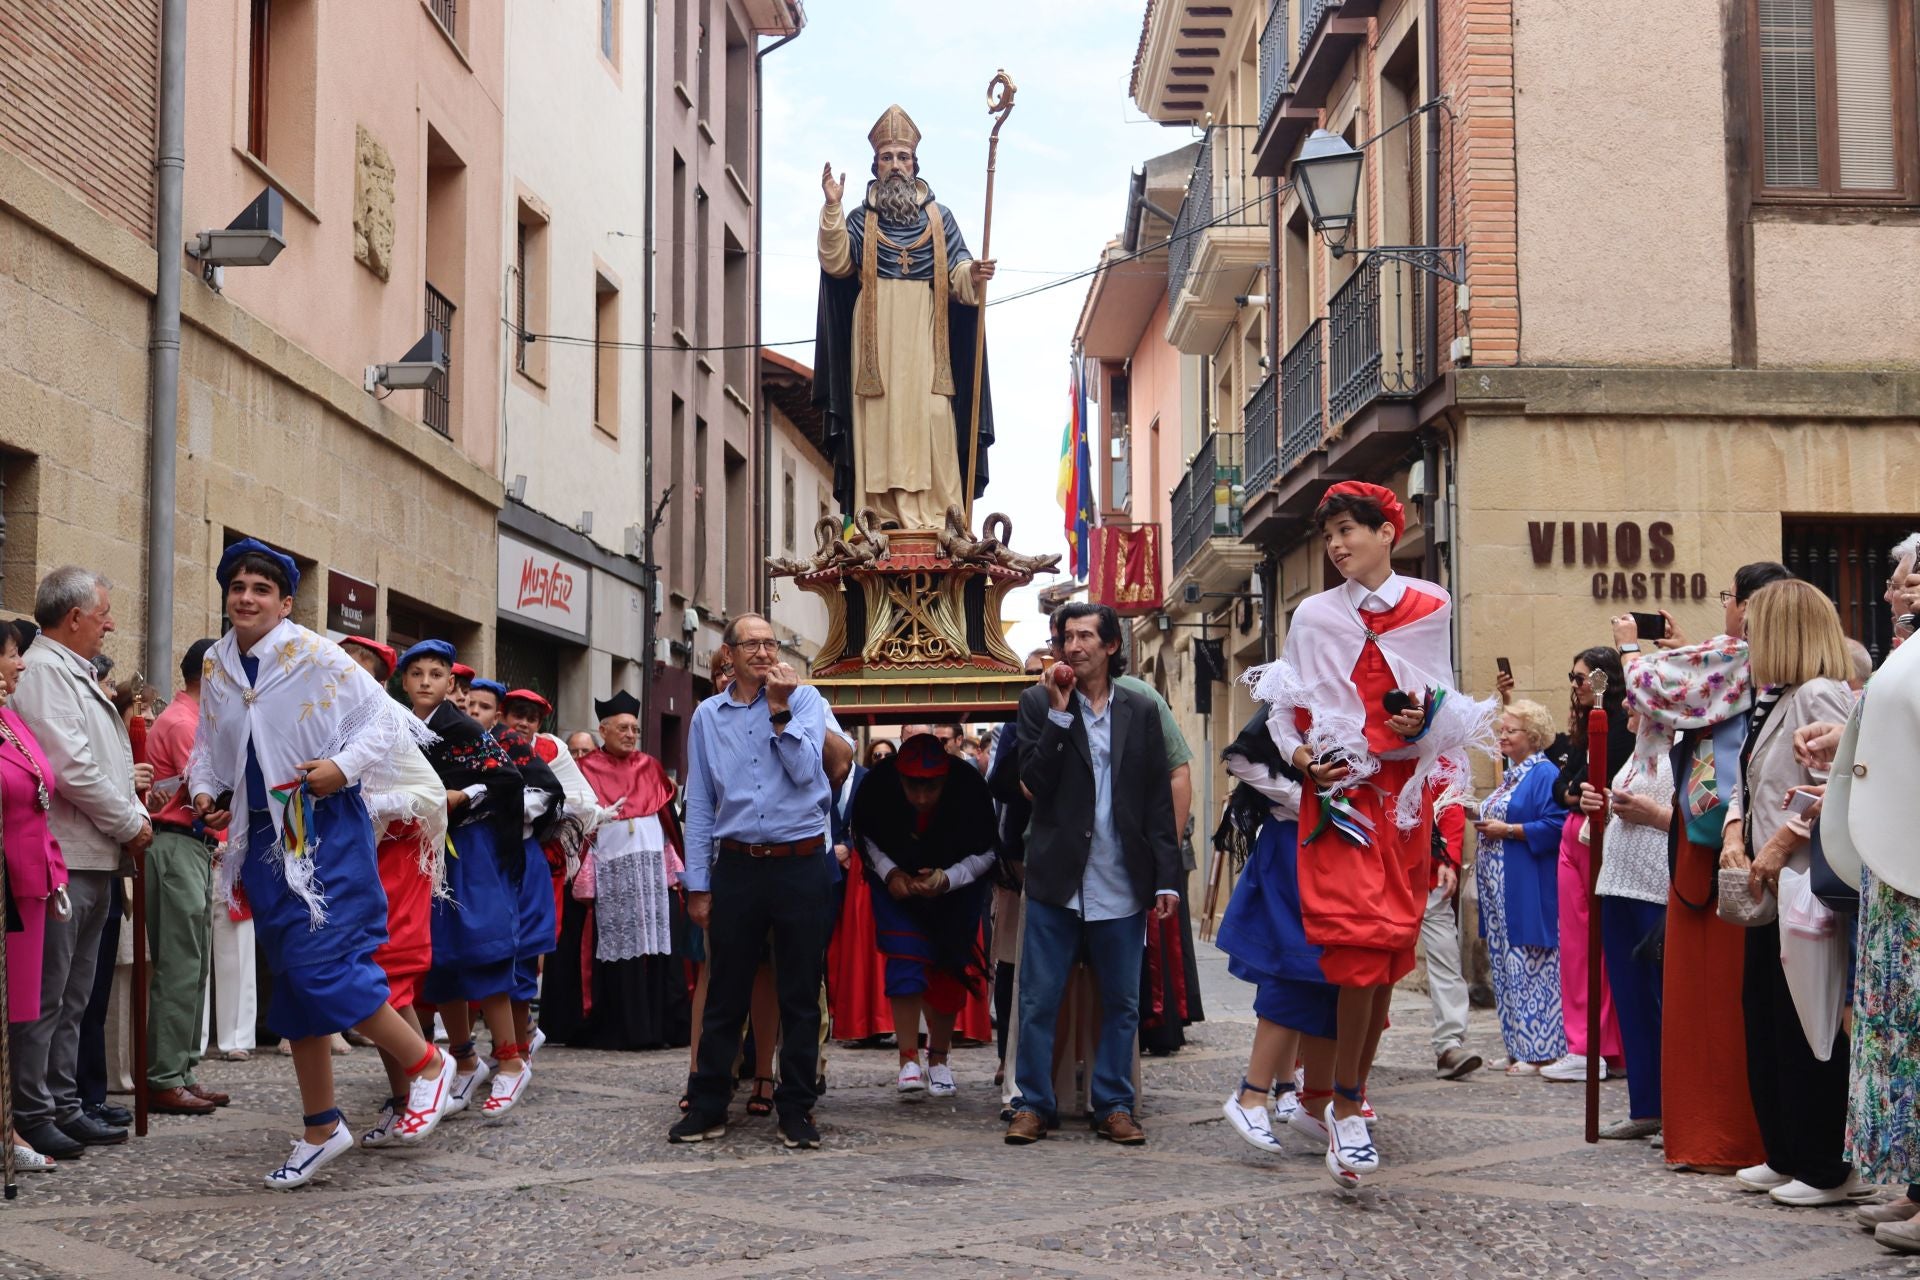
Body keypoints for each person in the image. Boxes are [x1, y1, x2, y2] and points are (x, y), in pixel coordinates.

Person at [1244, 483, 1492, 1185]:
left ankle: (1335, 1097)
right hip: (1341, 802)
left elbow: (1442, 699)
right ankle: (1343, 1109)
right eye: (1330, 537)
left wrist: (1424, 718)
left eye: (1350, 531)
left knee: (1387, 955)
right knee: (1355, 949)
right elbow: (1284, 711)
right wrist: (1301, 760)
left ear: (1392, 530)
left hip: (1403, 805)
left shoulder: (1430, 605)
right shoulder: (1315, 616)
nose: (1337, 546)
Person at [188, 542, 454, 1186]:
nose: (246, 597)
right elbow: (207, 747)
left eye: (260, 588)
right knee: (296, 982)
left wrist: (341, 768)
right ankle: (320, 1127)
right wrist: (205, 792)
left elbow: (384, 723)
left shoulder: (314, 653)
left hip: (324, 833)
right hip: (260, 841)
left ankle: (426, 1064)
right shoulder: (221, 664)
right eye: (237, 587)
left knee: (324, 967)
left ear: (284, 603)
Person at [1618, 561, 1786, 1177]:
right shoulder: (1749, 665)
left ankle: (1717, 1135)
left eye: (1728, 598)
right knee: (1726, 993)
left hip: (1718, 836)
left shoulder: (1736, 657)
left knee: (1714, 993)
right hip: (1720, 831)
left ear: (1745, 605)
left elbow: (1646, 687)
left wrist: (1629, 648)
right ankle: (1734, 1133)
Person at [1004, 602, 1179, 1148]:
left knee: (1121, 1001)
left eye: (1084, 636)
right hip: (1058, 876)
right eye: (1065, 637)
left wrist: (1167, 876)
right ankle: (1032, 1104)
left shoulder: (1139, 709)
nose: (1072, 646)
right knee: (1038, 998)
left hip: (1122, 879)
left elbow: (1156, 798)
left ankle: (1113, 1103)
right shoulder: (1036, 702)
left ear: (1109, 646)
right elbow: (1033, 782)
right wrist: (1059, 716)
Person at [1719, 579, 1860, 1207]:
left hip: (1805, 887)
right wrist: (1734, 835)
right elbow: (1749, 780)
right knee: (1768, 1016)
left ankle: (1824, 1163)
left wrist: (1778, 842)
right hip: (1774, 887)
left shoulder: (1819, 694)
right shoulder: (1778, 699)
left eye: (1756, 627)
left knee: (1807, 1021)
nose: (1746, 638)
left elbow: (1835, 793)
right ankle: (1784, 1149)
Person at [671, 613, 835, 1151]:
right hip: (738, 864)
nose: (765, 653)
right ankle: (709, 1103)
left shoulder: (806, 701)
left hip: (801, 862)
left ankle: (797, 1108)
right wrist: (698, 883)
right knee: (725, 991)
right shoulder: (706, 717)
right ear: (730, 656)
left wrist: (780, 710)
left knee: (799, 993)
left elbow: (811, 775)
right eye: (753, 645)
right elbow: (699, 805)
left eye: (772, 644)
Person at [10, 567, 151, 1159]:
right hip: (68, 854)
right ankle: (35, 1107)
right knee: (50, 992)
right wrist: (130, 822)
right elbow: (73, 769)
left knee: (74, 993)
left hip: (91, 854)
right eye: (103, 615)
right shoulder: (45, 673)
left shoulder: (67, 671)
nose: (110, 624)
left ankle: (63, 1101)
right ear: (73, 619)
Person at [815, 105, 996, 530]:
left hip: (926, 338)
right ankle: (881, 515)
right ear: (875, 166)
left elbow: (957, 274)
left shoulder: (940, 218)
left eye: (903, 157)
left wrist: (973, 273)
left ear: (915, 164)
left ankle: (940, 515)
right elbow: (837, 262)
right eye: (887, 157)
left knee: (933, 417)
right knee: (880, 423)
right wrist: (832, 211)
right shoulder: (861, 220)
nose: (896, 165)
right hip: (875, 342)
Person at [1799, 637, 1920, 1252]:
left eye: (1913, 575)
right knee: (1901, 1037)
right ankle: (1919, 1184)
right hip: (1897, 870)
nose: (1901, 589)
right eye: (1900, 578)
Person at [398, 641, 532, 1121]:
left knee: (482, 950)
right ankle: (463, 1057)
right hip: (427, 852)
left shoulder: (463, 727)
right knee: (441, 956)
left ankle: (511, 1059)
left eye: (437, 673)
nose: (427, 681)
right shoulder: (401, 725)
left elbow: (506, 777)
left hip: (470, 852)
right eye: (417, 673)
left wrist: (465, 795)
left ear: (451, 683)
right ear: (405, 682)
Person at [1215, 707, 1334, 1158]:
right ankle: (1252, 1095)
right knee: (1294, 970)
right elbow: (1240, 757)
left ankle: (1312, 1097)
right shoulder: (1294, 691)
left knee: (1329, 975)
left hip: (1330, 849)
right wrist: (1299, 797)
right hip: (1292, 851)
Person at [853, 734, 995, 1101]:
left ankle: (940, 1059)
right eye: (911, 786)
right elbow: (865, 838)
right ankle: (907, 1060)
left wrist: (948, 879)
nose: (920, 797)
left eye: (930, 787)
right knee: (905, 963)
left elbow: (988, 851)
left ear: (945, 780)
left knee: (947, 972)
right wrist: (890, 874)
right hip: (897, 889)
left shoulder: (970, 792)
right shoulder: (877, 791)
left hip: (956, 893)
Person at [556, 690, 689, 1051]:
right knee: (614, 953)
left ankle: (659, 1026)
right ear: (603, 729)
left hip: (650, 877)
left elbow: (666, 821)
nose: (631, 734)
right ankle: (618, 1026)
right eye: (623, 728)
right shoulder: (585, 771)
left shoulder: (650, 767)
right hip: (609, 875)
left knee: (658, 950)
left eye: (634, 729)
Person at [1576, 701, 1674, 1139]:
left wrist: (1650, 815)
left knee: (1662, 1002)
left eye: (1635, 705)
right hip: (1616, 881)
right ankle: (1646, 1106)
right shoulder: (1636, 755)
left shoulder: (1683, 750)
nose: (1626, 711)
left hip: (1656, 885)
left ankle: (1676, 1108)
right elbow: (1605, 817)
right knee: (1632, 1004)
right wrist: (1595, 805)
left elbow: (1691, 820)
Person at [140, 637, 229, 1116]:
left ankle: (182, 1070)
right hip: (176, 844)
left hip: (192, 847)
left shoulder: (195, 719)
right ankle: (163, 1076)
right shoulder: (182, 721)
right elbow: (206, 791)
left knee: (195, 968)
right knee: (179, 964)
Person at [1541, 647, 1630, 1084]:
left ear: (1601, 681)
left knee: (1594, 944)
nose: (1574, 685)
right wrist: (1572, 791)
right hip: (1573, 836)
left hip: (1598, 835)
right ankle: (1586, 1041)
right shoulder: (1581, 729)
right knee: (1576, 947)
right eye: (1572, 677)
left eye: (1580, 678)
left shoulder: (1615, 727)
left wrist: (1573, 790)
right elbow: (1562, 783)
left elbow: (1587, 780)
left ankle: (1594, 1044)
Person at [1472, 700, 1571, 1075]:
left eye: (1510, 730)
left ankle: (1540, 1051)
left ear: (1532, 736)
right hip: (1499, 889)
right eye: (1503, 730)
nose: (1503, 735)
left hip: (1526, 883)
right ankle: (1515, 1046)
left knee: (1531, 965)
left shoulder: (1543, 774)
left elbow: (1558, 823)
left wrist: (1510, 831)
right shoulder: (1512, 775)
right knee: (1504, 963)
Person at [0, 620, 67, 1170]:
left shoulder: (9, 719)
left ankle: (9, 1123)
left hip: (31, 881)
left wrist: (55, 869)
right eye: (12, 653)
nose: (21, 663)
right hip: (6, 881)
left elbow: (40, 793)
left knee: (18, 1013)